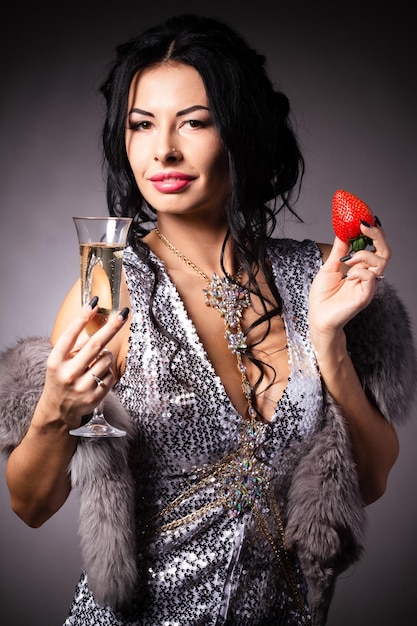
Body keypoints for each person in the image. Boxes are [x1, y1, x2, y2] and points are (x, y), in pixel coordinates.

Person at [0, 13, 416, 626]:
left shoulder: (315, 279)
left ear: (242, 133)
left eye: (193, 123)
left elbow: (372, 480)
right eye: (141, 126)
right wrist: (54, 411)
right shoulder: (109, 282)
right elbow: (31, 505)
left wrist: (329, 344)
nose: (163, 149)